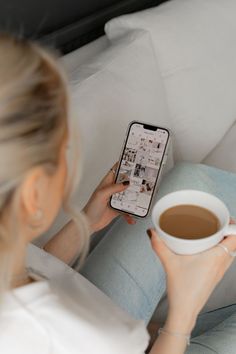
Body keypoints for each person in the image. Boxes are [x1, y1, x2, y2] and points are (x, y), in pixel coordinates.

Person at [1, 33, 236, 354]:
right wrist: (183, 314)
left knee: (190, 182)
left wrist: (86, 222)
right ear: (32, 195)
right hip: (115, 341)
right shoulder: (90, 339)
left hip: (86, 305)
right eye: (64, 152)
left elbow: (23, 268)